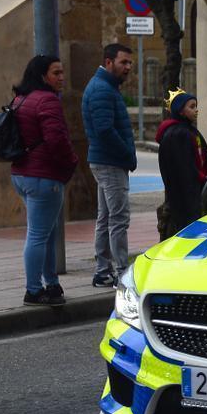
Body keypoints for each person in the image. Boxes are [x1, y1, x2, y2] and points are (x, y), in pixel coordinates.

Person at [10, 55, 77, 306]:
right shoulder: (47, 100)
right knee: (38, 234)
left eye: (62, 72)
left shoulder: (21, 98)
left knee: (46, 233)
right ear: (42, 76)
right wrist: (71, 163)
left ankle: (52, 284)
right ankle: (34, 290)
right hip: (43, 177)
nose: (61, 77)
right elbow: (56, 140)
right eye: (56, 73)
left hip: (21, 174)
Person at [82, 43, 136, 288]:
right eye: (123, 62)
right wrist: (126, 155)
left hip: (104, 160)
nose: (128, 68)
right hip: (110, 161)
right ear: (108, 62)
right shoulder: (103, 89)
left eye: (129, 63)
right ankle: (121, 271)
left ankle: (103, 271)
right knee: (118, 219)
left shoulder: (105, 87)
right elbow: (105, 130)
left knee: (105, 218)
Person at [156, 90, 207, 237]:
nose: (196, 110)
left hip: (195, 189)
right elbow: (183, 169)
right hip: (184, 196)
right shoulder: (177, 134)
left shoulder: (189, 131)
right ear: (180, 111)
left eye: (196, 106)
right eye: (192, 107)